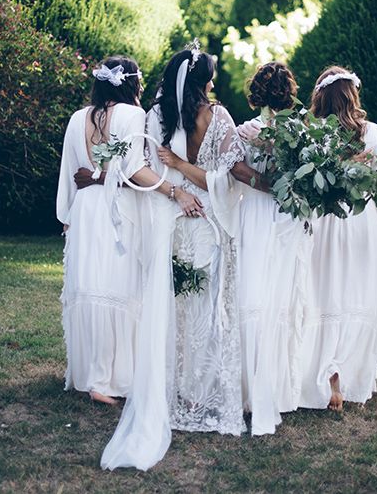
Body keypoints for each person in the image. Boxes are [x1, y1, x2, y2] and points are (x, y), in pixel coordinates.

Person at [102, 43, 254, 471]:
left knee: (177, 308)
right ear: (202, 80)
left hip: (173, 218)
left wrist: (175, 179)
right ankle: (200, 392)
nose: (214, 81)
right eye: (210, 74)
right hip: (206, 219)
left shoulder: (156, 115)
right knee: (207, 306)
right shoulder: (218, 117)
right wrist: (190, 182)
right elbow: (227, 176)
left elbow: (149, 168)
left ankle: (179, 391)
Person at [56, 55, 200, 406]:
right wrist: (174, 190)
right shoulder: (134, 115)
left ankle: (89, 375)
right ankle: (109, 379)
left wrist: (68, 217)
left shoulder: (77, 119)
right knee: (118, 287)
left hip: (87, 208)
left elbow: (68, 174)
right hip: (117, 209)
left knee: (89, 286)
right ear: (133, 83)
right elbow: (135, 169)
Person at [298, 66, 377, 412]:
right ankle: (347, 373)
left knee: (324, 293)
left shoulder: (313, 132)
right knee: (354, 293)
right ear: (351, 94)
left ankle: (331, 383)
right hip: (359, 222)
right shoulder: (371, 132)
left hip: (326, 222)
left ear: (321, 97)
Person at [235, 62, 312, 435]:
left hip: (254, 212)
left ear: (257, 93)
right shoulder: (299, 131)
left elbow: (233, 169)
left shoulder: (244, 129)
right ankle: (275, 389)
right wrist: (276, 186)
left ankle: (250, 389)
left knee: (253, 293)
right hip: (284, 215)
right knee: (277, 296)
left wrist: (260, 183)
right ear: (288, 91)